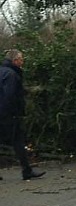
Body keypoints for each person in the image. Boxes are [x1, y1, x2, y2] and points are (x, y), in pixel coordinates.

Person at [0, 49, 45, 180]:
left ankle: (27, 170)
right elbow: (10, 95)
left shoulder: (2, 71)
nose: (22, 61)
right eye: (21, 59)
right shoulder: (12, 75)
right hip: (8, 114)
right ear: (15, 60)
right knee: (18, 141)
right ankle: (27, 171)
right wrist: (13, 112)